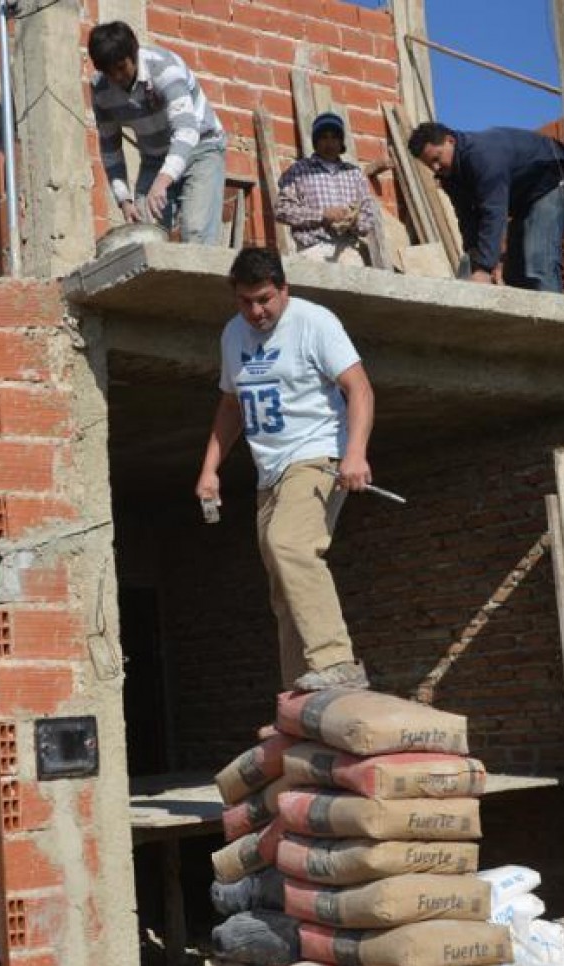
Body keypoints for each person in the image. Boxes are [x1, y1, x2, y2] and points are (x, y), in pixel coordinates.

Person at [195, 248, 375, 693]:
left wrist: (355, 453)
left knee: (289, 544)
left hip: (317, 457)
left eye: (265, 299)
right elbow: (232, 405)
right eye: (245, 302)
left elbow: (360, 388)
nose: (256, 312)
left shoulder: (315, 323)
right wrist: (209, 469)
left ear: (284, 289)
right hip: (269, 472)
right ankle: (301, 687)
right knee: (282, 582)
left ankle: (337, 660)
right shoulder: (233, 335)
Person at [88, 20, 228, 246]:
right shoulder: (101, 89)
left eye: (121, 67)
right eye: (108, 72)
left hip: (201, 147)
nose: (117, 77)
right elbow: (110, 147)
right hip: (154, 158)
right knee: (144, 236)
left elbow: (186, 131)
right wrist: (124, 199)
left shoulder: (164, 68)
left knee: (194, 233)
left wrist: (162, 181)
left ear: (133, 54)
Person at [407, 122, 564, 293]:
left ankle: (554, 320)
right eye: (429, 165)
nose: (435, 167)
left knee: (538, 262)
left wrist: (483, 269)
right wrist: (474, 258)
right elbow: (467, 217)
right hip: (523, 199)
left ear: (450, 141)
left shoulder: (482, 155)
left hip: (550, 178)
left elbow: (493, 211)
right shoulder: (449, 176)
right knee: (514, 273)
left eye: (437, 158)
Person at [276, 111, 378, 266]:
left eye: (334, 137)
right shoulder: (299, 171)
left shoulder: (354, 174)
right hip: (312, 252)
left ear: (341, 142)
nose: (329, 143)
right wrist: (322, 215)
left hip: (349, 253)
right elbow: (282, 210)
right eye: (323, 137)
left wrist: (353, 222)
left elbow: (369, 218)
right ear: (316, 142)